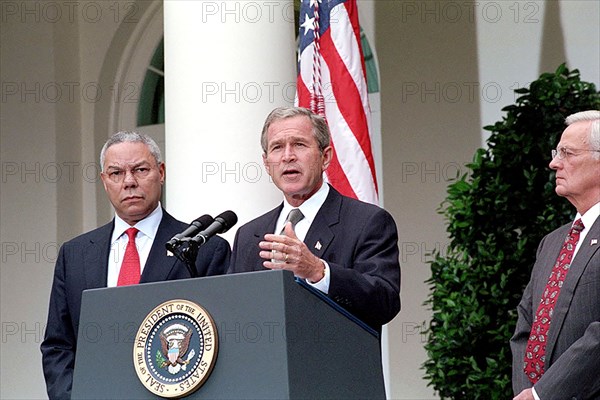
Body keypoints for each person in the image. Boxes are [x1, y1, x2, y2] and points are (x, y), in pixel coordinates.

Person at [41, 131, 231, 399]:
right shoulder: (75, 254)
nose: (129, 182)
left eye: (140, 169)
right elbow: (58, 345)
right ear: (104, 181)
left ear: (161, 172)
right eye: (116, 173)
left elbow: (221, 343)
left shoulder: (204, 250)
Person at [228, 107, 401, 330]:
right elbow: (234, 309)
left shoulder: (367, 221)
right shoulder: (248, 235)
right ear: (266, 162)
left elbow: (385, 301)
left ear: (325, 157)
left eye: (299, 144)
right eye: (277, 147)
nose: (288, 156)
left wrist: (318, 271)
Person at [511, 110, 600, 400]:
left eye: (567, 153)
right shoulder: (552, 242)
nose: (553, 163)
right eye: (556, 152)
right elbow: (527, 323)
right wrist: (528, 392)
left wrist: (543, 393)